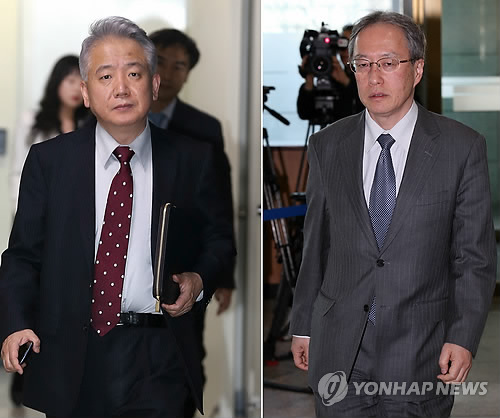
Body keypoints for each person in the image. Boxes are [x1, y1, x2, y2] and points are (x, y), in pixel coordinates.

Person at [0, 16, 235, 418]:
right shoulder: (50, 161)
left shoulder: (192, 158)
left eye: (134, 73)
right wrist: (16, 322)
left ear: (154, 85)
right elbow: (23, 255)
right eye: (105, 76)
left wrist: (199, 280)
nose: (121, 88)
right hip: (72, 352)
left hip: (158, 353)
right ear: (86, 92)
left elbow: (219, 239)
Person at [290, 11, 496, 417]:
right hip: (339, 349)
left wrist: (463, 336)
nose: (374, 77)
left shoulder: (461, 147)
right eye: (363, 64)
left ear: (417, 69)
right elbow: (317, 246)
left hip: (421, 350)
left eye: (387, 63)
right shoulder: (328, 146)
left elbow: (474, 258)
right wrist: (303, 325)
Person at [148, 27, 236, 418]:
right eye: (161, 61)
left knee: (185, 357)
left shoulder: (203, 128)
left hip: (185, 264)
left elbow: (220, 204)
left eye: (179, 66)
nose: (167, 73)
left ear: (188, 74)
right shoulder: (111, 117)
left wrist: (222, 274)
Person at [8, 54, 89, 407]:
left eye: (77, 81)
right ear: (56, 82)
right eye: (67, 80)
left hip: (79, 229)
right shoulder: (33, 122)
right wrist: (27, 217)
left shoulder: (91, 124)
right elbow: (17, 174)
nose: (73, 88)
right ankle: (23, 368)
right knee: (34, 293)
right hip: (38, 223)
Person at [10, 55, 89, 212]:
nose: (76, 89)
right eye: (70, 81)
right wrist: (21, 210)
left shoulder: (87, 126)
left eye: (81, 83)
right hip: (38, 207)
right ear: (57, 82)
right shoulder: (30, 121)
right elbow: (18, 171)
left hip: (75, 210)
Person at [297, 23, 364, 126]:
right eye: (343, 45)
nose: (346, 51)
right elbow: (305, 113)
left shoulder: (368, 77)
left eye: (351, 45)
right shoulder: (332, 78)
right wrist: (309, 81)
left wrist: (346, 82)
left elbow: (366, 111)